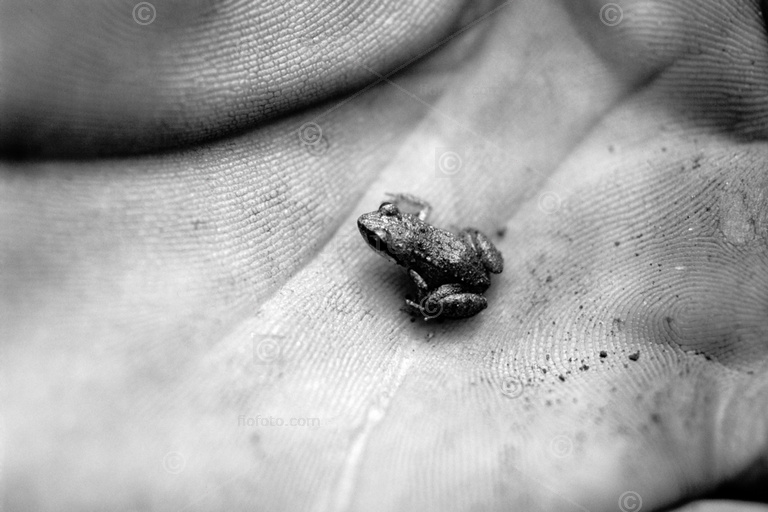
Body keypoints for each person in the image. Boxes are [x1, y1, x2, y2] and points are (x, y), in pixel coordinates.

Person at [2, 0, 766, 510]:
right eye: (380, 233)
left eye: (379, 235)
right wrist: (419, 224)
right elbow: (429, 220)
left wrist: (425, 298)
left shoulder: (414, 258)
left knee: (451, 291)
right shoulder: (416, 227)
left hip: (459, 270)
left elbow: (443, 263)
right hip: (461, 247)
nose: (375, 235)